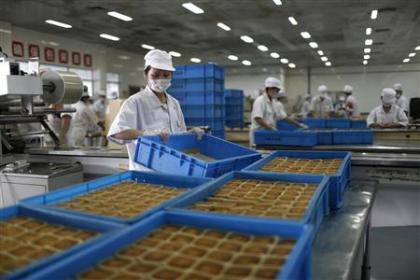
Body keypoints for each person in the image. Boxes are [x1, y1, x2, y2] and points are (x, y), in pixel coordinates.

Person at [108, 49, 203, 170]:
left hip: (174, 170)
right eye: (155, 75)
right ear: (146, 74)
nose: (161, 79)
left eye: (165, 75)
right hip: (146, 173)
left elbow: (177, 135)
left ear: (171, 76)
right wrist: (145, 134)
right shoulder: (135, 102)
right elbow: (116, 132)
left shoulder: (174, 103)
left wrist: (189, 134)